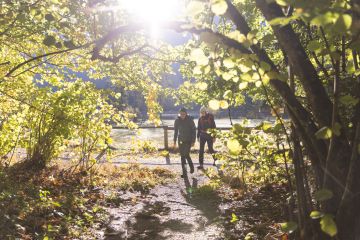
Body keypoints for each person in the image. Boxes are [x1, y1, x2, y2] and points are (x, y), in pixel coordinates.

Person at [173, 107, 196, 177]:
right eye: (181, 114)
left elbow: (194, 131)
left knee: (186, 155)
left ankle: (191, 167)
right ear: (179, 114)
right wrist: (174, 141)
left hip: (188, 140)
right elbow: (176, 131)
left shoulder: (190, 120)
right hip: (180, 140)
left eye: (184, 114)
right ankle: (184, 172)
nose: (182, 115)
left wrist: (193, 141)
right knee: (182, 156)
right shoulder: (177, 121)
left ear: (186, 113)